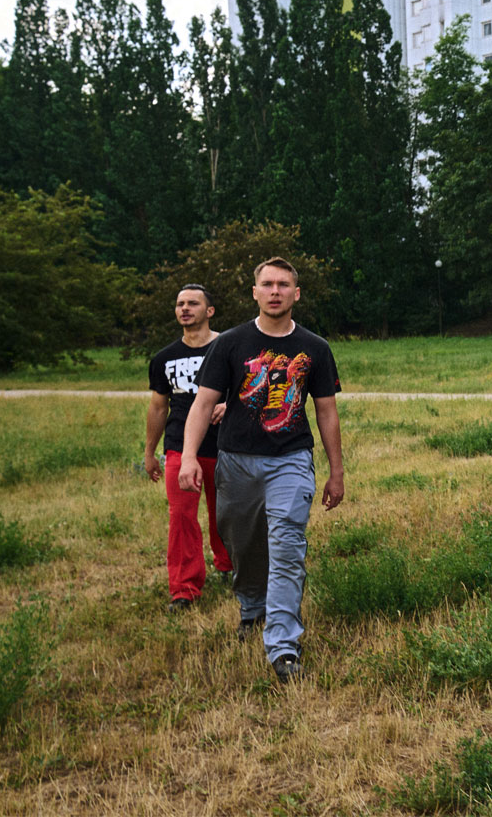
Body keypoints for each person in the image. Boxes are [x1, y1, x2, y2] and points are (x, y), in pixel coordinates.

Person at [179, 258, 344, 684]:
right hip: (236, 460)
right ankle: (251, 606)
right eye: (267, 284)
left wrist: (336, 471)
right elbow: (203, 403)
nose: (275, 291)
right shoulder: (230, 343)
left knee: (287, 545)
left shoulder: (315, 348)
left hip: (290, 459)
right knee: (243, 541)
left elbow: (326, 411)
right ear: (255, 292)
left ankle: (283, 645)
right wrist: (190, 456)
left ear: (296, 293)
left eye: (283, 285)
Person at [144, 284, 231, 610]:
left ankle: (229, 565)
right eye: (180, 303)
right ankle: (184, 589)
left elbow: (251, 389)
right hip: (181, 448)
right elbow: (157, 407)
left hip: (225, 446)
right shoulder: (165, 358)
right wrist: (151, 452)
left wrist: (230, 405)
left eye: (193, 303)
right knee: (181, 517)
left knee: (226, 514)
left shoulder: (228, 347)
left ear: (209, 311)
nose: (185, 308)